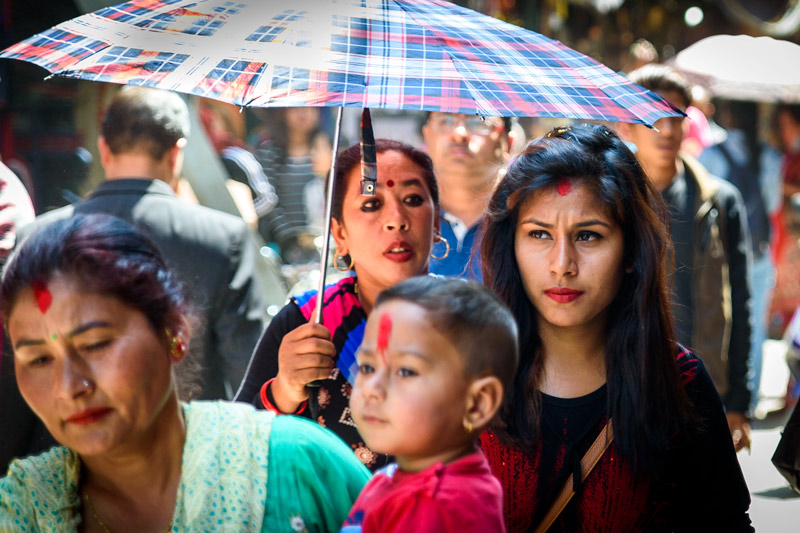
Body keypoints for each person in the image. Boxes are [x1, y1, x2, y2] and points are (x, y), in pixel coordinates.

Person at [0, 214, 370, 532]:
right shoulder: (20, 511)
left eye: (95, 344)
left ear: (174, 332)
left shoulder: (299, 466)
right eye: (39, 360)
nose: (69, 387)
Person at [479, 124, 753, 532]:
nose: (562, 264)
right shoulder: (469, 379)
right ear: (511, 245)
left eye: (588, 236)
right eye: (539, 234)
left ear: (630, 252)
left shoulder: (679, 383)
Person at [22, 87, 265, 401]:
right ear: (176, 153)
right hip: (188, 427)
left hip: (69, 423)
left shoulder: (37, 237)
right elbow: (247, 373)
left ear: (103, 149)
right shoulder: (223, 237)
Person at [235, 139, 441, 471]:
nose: (396, 219)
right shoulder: (306, 322)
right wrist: (284, 391)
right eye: (371, 204)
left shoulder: (474, 323)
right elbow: (238, 451)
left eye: (413, 199)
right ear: (339, 233)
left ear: (437, 222)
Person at [618, 64, 753, 451]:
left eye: (676, 116)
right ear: (626, 127)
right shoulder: (613, 201)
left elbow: (740, 300)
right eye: (652, 117)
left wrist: (739, 402)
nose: (667, 129)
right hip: (629, 384)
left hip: (702, 383)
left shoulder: (719, 200)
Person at [341, 276, 517, 532]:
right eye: (368, 367)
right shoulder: (407, 477)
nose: (371, 389)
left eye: (406, 371)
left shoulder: (433, 507)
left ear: (477, 403)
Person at [699, 99, 782, 414]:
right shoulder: (768, 156)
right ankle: (748, 399)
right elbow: (773, 205)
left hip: (719, 256)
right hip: (759, 252)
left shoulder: (711, 155)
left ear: (728, 114)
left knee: (720, 321)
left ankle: (718, 398)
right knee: (754, 326)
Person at [421, 112, 511, 279]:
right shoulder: (404, 220)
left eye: (478, 121)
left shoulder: (524, 221)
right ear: (426, 135)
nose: (459, 134)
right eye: (445, 120)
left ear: (508, 142)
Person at [252, 107, 332, 264]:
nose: (304, 113)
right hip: (285, 246)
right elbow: (268, 202)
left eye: (311, 107)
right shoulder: (270, 153)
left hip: (325, 243)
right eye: (296, 108)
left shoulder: (326, 149)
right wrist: (289, 238)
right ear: (283, 112)